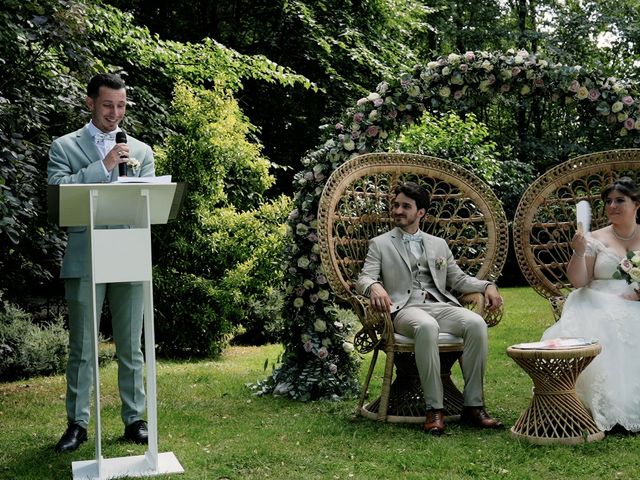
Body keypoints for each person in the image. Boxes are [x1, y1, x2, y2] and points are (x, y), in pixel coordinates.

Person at [48, 73, 155, 452]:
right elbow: (59, 199)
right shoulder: (64, 147)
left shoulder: (142, 151)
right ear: (90, 102)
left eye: (121, 105)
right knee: (82, 347)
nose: (115, 113)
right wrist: (104, 164)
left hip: (129, 250)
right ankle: (77, 424)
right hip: (86, 254)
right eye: (108, 104)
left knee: (131, 343)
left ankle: (135, 420)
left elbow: (148, 203)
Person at [355, 181, 504, 435]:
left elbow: (457, 280)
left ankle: (474, 406)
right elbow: (363, 278)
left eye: (406, 206)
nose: (398, 210)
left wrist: (487, 284)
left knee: (476, 323)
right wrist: (375, 287)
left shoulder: (438, 245)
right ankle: (434, 409)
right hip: (403, 309)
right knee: (426, 326)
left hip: (438, 304)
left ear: (420, 212)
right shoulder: (380, 243)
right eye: (396, 205)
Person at [541, 177, 640, 433]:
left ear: (636, 204)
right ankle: (610, 407)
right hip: (596, 301)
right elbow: (579, 281)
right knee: (610, 323)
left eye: (620, 200)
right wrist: (578, 251)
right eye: (608, 202)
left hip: (636, 299)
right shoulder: (594, 237)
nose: (612, 206)